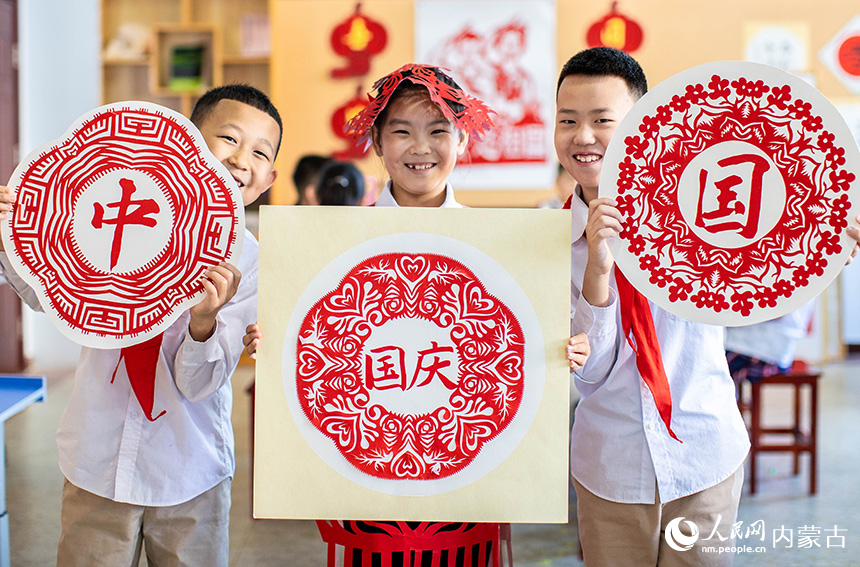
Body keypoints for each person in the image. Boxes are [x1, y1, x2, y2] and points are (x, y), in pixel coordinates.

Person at [242, 63, 589, 567]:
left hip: (470, 486)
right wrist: (276, 338)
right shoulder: (330, 248)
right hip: (364, 489)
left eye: (438, 131)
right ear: (378, 144)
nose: (420, 147)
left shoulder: (506, 247)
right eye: (401, 131)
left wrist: (562, 347)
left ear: (463, 140)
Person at [0, 83, 281, 567]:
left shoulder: (246, 261)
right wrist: (12, 237)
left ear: (268, 178)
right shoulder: (117, 215)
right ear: (186, 142)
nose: (241, 160)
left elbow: (199, 385)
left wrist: (204, 320)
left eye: (260, 152)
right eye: (229, 139)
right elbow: (50, 293)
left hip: (191, 470)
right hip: (96, 459)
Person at [558, 47, 752, 566]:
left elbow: (759, 288)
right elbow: (589, 374)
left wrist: (819, 246)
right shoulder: (547, 247)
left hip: (704, 453)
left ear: (642, 125)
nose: (583, 137)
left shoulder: (701, 212)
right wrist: (598, 269)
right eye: (568, 121)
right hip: (610, 469)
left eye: (603, 120)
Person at [725, 301, 816, 397]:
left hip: (763, 351)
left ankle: (728, 404)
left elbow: (774, 311)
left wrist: (733, 318)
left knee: (716, 363)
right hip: (769, 346)